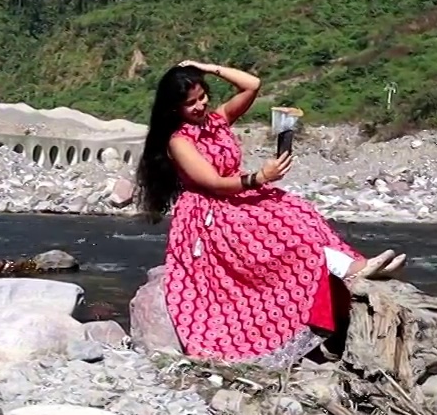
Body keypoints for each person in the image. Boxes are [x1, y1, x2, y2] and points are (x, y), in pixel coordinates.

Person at [135, 61, 406, 367]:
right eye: (190, 103)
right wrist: (259, 177)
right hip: (212, 210)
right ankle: (350, 270)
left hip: (241, 195)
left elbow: (252, 84)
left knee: (301, 214)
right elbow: (213, 183)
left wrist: (204, 67)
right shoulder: (179, 142)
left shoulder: (216, 121)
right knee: (286, 241)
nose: (200, 106)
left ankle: (352, 267)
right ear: (174, 109)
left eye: (202, 97)